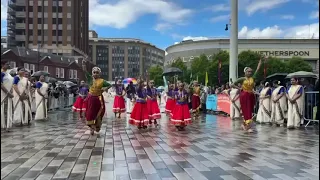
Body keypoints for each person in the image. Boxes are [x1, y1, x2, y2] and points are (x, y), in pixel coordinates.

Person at [232, 59, 262, 133]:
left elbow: (257, 70)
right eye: (248, 71)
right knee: (247, 110)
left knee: (250, 110)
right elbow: (232, 84)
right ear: (245, 72)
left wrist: (260, 61)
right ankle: (248, 127)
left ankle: (244, 124)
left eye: (251, 72)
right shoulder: (242, 79)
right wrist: (240, 88)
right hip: (244, 96)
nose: (250, 73)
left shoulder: (252, 78)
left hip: (251, 95)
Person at [83, 64, 111, 135]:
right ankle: (91, 127)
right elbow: (85, 71)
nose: (95, 74)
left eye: (97, 73)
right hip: (91, 99)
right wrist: (84, 64)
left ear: (99, 74)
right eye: (94, 72)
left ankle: (97, 126)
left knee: (99, 113)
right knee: (90, 113)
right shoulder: (90, 79)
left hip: (98, 99)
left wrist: (104, 89)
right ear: (92, 73)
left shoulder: (102, 81)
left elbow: (110, 85)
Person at [1, 63, 14, 131]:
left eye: (9, 64)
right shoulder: (1, 73)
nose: (8, 65)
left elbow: (10, 83)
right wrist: (7, 93)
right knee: (4, 108)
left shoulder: (8, 74)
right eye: (6, 64)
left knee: (8, 109)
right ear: (2, 65)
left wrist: (11, 90)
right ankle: (4, 125)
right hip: (3, 94)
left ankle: (8, 124)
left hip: (8, 94)